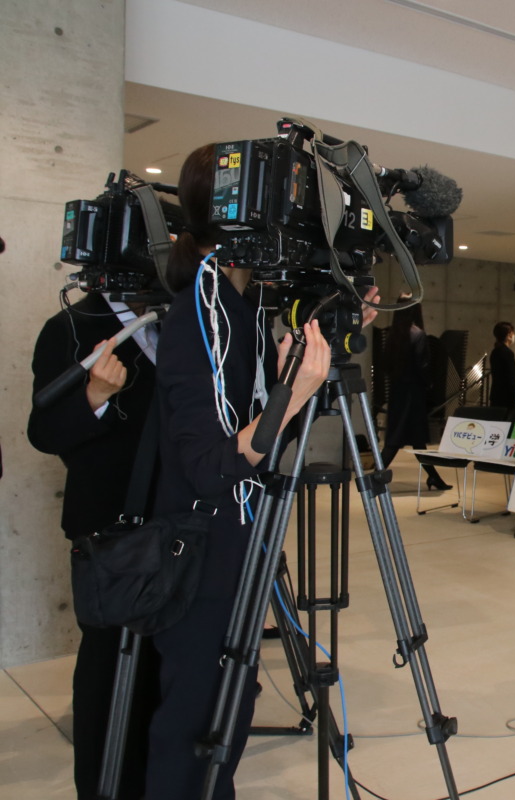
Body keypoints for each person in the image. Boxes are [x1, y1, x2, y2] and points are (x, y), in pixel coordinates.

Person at [144, 142, 344, 799]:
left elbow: (259, 435)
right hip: (200, 553)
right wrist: (292, 395)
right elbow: (208, 466)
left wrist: (296, 380)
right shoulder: (194, 317)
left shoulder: (241, 309)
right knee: (195, 723)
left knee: (228, 708)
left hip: (236, 544)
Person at [29, 291, 161, 799]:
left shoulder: (187, 317)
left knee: (165, 671)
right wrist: (95, 396)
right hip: (109, 531)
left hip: (178, 526)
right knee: (109, 673)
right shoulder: (70, 326)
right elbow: (44, 432)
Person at [379, 300, 450, 490]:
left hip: (397, 394)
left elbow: (386, 366)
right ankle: (375, 478)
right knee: (402, 440)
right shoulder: (417, 334)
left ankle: (434, 477)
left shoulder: (393, 335)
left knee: (403, 440)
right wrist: (430, 385)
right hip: (413, 395)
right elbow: (422, 365)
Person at [488, 321, 515, 412]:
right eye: (513, 333)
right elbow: (511, 379)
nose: (514, 335)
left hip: (496, 396)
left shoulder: (495, 352)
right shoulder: (508, 353)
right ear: (509, 335)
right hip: (507, 399)